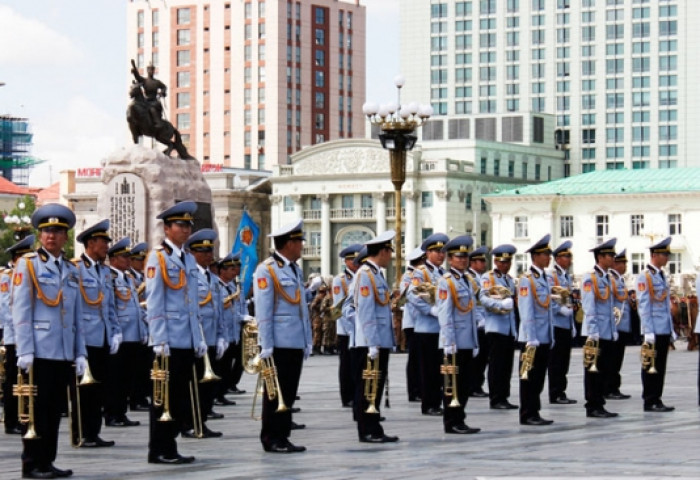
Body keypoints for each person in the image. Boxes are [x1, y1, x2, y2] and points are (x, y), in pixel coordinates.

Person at [13, 204, 87, 478]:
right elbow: (21, 310)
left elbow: (76, 315)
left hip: (64, 351)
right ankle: (31, 463)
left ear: (66, 236)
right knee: (37, 411)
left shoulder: (70, 269)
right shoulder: (28, 264)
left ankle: (47, 461)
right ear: (40, 235)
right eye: (46, 232)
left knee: (55, 409)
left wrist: (80, 353)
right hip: (39, 349)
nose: (51, 237)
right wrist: (25, 349)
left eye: (57, 232)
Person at [146, 201, 206, 464]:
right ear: (167, 228)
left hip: (187, 339)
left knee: (179, 397)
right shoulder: (157, 258)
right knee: (163, 398)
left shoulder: (188, 258)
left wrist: (199, 336)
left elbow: (192, 302)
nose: (185, 230)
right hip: (168, 339)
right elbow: (155, 300)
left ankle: (170, 446)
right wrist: (159, 339)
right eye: (180, 225)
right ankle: (159, 448)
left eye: (187, 225)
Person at [254, 218, 311, 453]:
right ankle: (271, 437)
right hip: (277, 343)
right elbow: (264, 310)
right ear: (289, 243)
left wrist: (307, 340)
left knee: (288, 391)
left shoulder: (293, 269)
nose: (301, 246)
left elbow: (301, 309)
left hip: (294, 341)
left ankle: (283, 435)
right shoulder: (266, 269)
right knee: (274, 392)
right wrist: (265, 344)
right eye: (299, 242)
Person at [71, 219, 120, 448]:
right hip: (85, 338)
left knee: (99, 388)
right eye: (103, 243)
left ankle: (94, 432)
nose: (107, 247)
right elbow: (74, 307)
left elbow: (109, 306)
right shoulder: (76, 270)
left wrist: (115, 331)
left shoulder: (105, 272)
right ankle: (82, 433)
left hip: (102, 337)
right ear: (91, 243)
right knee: (84, 392)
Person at [352, 231, 399, 443]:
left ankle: (374, 426)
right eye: (390, 251)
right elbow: (366, 310)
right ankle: (367, 429)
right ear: (382, 251)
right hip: (370, 341)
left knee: (376, 386)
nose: (391, 256)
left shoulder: (376, 274)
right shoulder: (365, 275)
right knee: (368, 387)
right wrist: (372, 342)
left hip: (379, 339)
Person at [183, 228, 225, 437]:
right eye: (204, 251)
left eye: (210, 251)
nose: (209, 255)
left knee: (209, 385)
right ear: (193, 253)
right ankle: (190, 423)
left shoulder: (213, 278)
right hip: (196, 338)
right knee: (195, 385)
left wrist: (221, 336)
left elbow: (218, 311)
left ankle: (202, 420)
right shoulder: (189, 275)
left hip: (211, 338)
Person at [437, 235, 481, 435]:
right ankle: (452, 421)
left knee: (464, 384)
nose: (462, 260)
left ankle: (460, 417)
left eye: (465, 257)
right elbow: (445, 312)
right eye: (458, 257)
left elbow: (470, 310)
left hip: (467, 340)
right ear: (450, 259)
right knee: (452, 385)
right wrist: (448, 341)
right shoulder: (446, 282)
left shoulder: (467, 280)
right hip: (454, 341)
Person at [103, 237, 144, 427]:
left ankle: (121, 412)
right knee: (116, 379)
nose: (128, 260)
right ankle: (112, 414)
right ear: (113, 259)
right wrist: (114, 332)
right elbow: (110, 307)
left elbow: (136, 306)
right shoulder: (109, 278)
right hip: (120, 335)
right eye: (124, 257)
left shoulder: (128, 278)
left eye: (128, 256)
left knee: (128, 377)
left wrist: (142, 330)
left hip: (133, 334)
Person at [409, 232, 449, 416]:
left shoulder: (442, 273)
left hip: (440, 328)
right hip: (426, 327)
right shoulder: (420, 272)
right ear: (427, 253)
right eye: (437, 251)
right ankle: (429, 404)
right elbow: (413, 295)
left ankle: (436, 401)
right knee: (429, 369)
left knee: (439, 368)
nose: (441, 255)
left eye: (443, 251)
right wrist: (429, 310)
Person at [517, 234, 555, 426]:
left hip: (544, 336)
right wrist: (531, 337)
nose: (549, 257)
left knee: (539, 377)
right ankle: (527, 413)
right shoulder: (527, 280)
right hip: (531, 338)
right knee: (529, 377)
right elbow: (526, 310)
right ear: (536, 256)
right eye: (546, 254)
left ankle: (534, 411)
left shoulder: (545, 278)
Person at [581, 238, 619, 419]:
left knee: (602, 369)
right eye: (610, 255)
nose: (613, 259)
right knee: (593, 370)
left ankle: (599, 403)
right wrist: (593, 331)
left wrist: (613, 330)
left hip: (606, 331)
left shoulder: (606, 277)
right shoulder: (590, 278)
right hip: (595, 333)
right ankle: (592, 405)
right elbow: (589, 306)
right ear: (600, 257)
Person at [1, 235, 35, 436]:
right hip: (14, 336)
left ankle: (24, 415)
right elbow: (5, 307)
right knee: (14, 380)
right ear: (17, 258)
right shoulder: (7, 276)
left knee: (25, 380)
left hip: (27, 335)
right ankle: (11, 419)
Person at [637, 236, 675, 413]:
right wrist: (648, 330)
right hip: (653, 330)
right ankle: (650, 400)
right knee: (650, 366)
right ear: (655, 255)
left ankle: (657, 398)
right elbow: (644, 305)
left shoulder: (660, 276)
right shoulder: (645, 277)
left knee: (660, 367)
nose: (667, 257)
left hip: (663, 328)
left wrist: (671, 329)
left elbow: (665, 306)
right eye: (664, 254)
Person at [479, 244, 518, 410]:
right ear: (495, 261)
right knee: (496, 365)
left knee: (506, 365)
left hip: (508, 327)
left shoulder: (509, 280)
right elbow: (483, 298)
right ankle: (495, 398)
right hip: (495, 326)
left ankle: (504, 396)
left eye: (508, 262)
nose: (505, 265)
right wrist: (500, 304)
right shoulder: (489, 278)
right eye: (502, 262)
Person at [547, 241, 577, 405]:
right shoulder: (552, 277)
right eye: (566, 256)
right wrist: (559, 311)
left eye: (570, 256)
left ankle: (561, 391)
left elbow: (568, 300)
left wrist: (572, 324)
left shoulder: (566, 276)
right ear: (558, 258)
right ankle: (555, 392)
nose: (569, 259)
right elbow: (550, 299)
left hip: (565, 323)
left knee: (564, 360)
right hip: (556, 324)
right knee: (556, 361)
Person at [332, 244, 362, 408]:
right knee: (346, 364)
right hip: (346, 330)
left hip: (359, 329)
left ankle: (356, 394)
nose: (357, 263)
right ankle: (347, 396)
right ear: (346, 261)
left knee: (357, 365)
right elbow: (339, 308)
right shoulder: (340, 280)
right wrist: (352, 330)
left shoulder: (362, 276)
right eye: (353, 260)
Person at [214, 252, 243, 406]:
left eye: (235, 268)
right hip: (223, 332)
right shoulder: (217, 286)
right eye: (230, 269)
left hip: (233, 332)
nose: (234, 271)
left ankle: (222, 393)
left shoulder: (232, 286)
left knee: (227, 367)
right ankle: (216, 394)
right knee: (220, 367)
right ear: (222, 271)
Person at [605, 249, 632, 400]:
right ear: (615, 264)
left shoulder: (620, 280)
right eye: (622, 262)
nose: (625, 265)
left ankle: (614, 387)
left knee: (617, 359)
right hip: (615, 325)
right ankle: (609, 388)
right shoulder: (611, 280)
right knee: (612, 359)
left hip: (622, 325)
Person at [128, 242, 151, 412]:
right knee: (135, 369)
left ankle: (142, 396)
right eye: (138, 260)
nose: (142, 262)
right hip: (134, 325)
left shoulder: (143, 277)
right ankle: (136, 398)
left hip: (145, 326)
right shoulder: (129, 277)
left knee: (144, 366)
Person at [400, 247, 425, 403]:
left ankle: (421, 388)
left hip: (422, 323)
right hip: (413, 323)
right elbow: (408, 297)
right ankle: (414, 390)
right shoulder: (408, 276)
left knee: (422, 359)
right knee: (415, 359)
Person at [467, 246, 489, 398]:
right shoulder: (469, 278)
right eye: (480, 261)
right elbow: (471, 302)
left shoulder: (483, 278)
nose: (484, 263)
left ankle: (477, 384)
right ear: (472, 263)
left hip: (485, 322)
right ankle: (473, 385)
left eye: (484, 260)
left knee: (483, 358)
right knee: (475, 358)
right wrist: (479, 319)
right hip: (474, 323)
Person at [130, 61, 167, 129]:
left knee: (152, 109)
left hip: (154, 101)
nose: (151, 71)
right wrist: (135, 70)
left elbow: (164, 87)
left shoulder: (157, 82)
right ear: (147, 70)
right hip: (145, 100)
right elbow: (138, 77)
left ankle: (158, 122)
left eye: (152, 70)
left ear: (154, 71)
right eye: (149, 69)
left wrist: (161, 92)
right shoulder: (144, 81)